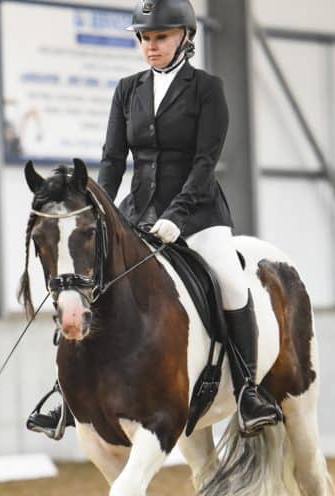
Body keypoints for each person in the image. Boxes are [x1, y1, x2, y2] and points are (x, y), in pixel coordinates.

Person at [29, 0, 280, 437]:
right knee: (89, 281)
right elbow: (111, 158)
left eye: (160, 37)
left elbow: (206, 163)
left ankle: (248, 391)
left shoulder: (207, 89)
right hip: (135, 213)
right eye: (145, 38)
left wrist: (177, 217)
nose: (151, 46)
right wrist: (100, 209)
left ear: (185, 37)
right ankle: (67, 394)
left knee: (229, 279)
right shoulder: (128, 90)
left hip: (198, 213)